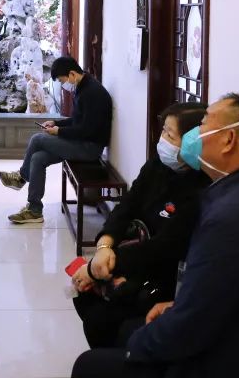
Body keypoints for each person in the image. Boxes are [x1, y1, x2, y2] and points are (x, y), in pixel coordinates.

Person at [71, 93, 239, 378]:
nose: (195, 136)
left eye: (204, 124)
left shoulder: (233, 216)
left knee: (91, 365)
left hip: (236, 359)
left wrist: (133, 349)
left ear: (228, 140)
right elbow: (214, 295)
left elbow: (192, 323)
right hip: (232, 334)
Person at [71, 102, 211, 349]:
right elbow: (128, 204)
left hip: (162, 275)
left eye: (170, 135)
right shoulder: (158, 164)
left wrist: (103, 268)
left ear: (193, 143)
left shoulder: (202, 189)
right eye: (163, 130)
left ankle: (112, 359)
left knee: (103, 318)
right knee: (85, 297)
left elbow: (166, 247)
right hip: (131, 256)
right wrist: (104, 246)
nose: (162, 140)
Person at [0, 56, 114, 224]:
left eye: (62, 80)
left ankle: (21, 177)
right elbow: (77, 121)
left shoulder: (92, 93)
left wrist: (59, 131)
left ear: (72, 74)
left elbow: (86, 130)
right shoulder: (83, 87)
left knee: (37, 139)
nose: (63, 84)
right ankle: (35, 210)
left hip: (89, 148)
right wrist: (56, 123)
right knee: (38, 158)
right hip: (80, 142)